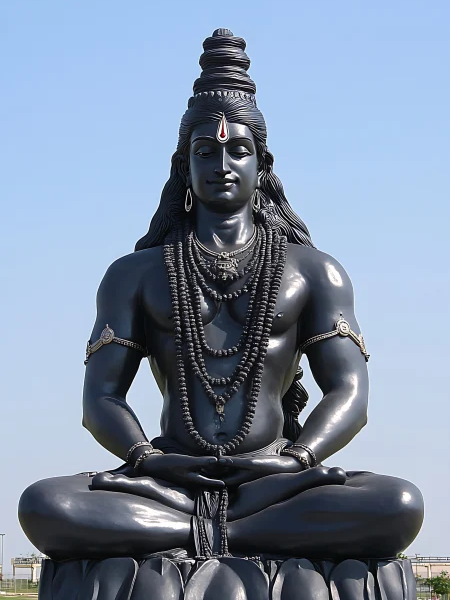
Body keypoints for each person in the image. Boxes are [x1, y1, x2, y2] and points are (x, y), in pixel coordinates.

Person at [19, 29, 423, 564]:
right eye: (205, 151)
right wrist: (144, 458)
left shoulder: (314, 271)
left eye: (238, 149)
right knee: (46, 504)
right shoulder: (133, 274)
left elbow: (350, 392)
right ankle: (235, 532)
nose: (222, 164)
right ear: (184, 165)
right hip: (169, 479)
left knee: (397, 502)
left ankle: (198, 534)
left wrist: (299, 458)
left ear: (262, 165)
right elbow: (101, 401)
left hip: (276, 478)